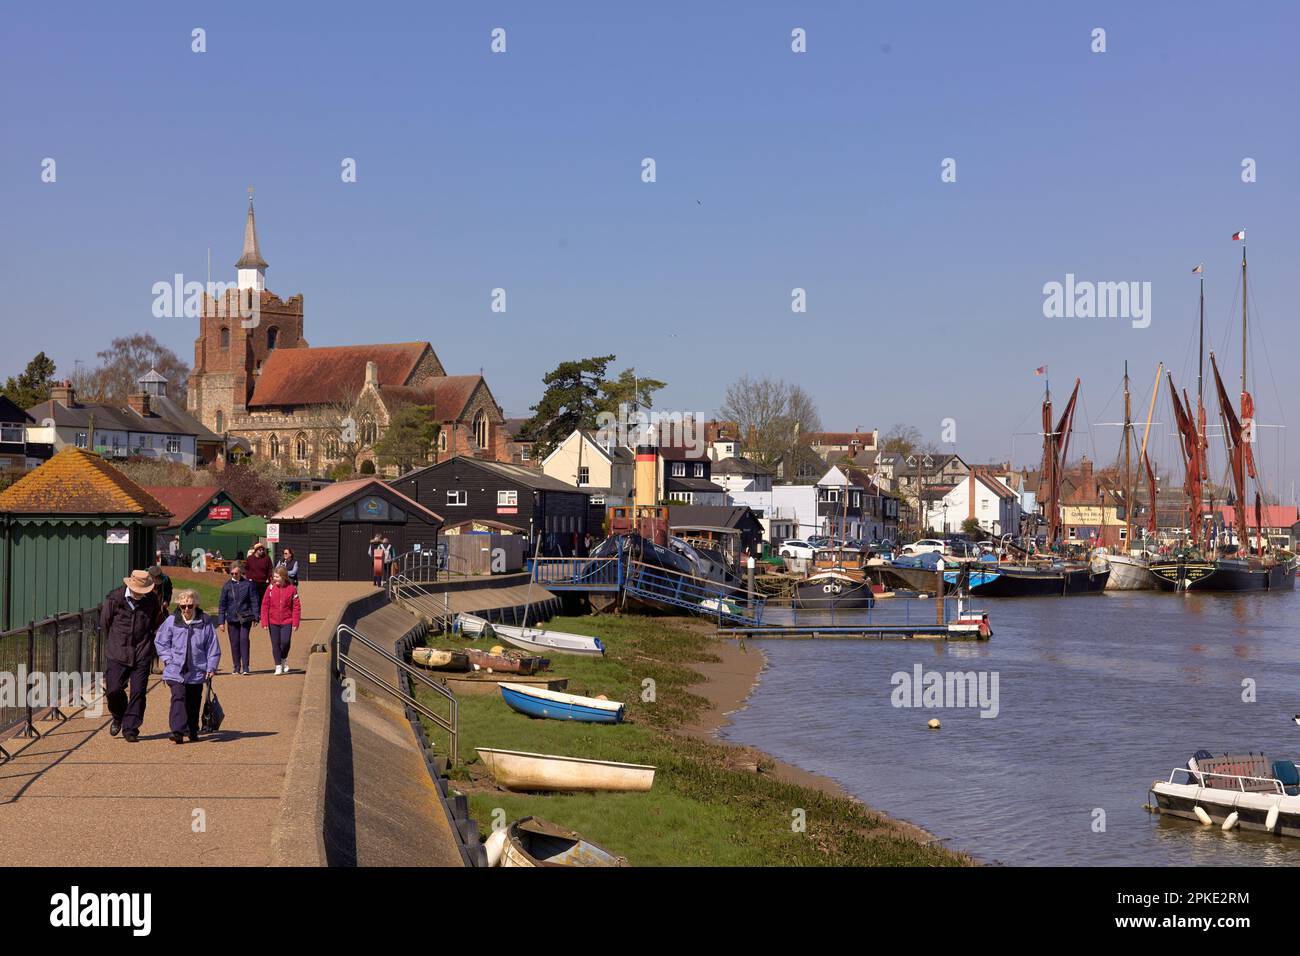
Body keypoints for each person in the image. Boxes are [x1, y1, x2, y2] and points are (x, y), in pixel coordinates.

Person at [99, 570, 166, 743]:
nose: (140, 594)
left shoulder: (151, 600)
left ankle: (131, 728)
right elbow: (105, 623)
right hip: (118, 651)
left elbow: (156, 622)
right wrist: (115, 641)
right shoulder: (114, 599)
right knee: (113, 689)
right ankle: (118, 715)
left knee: (138, 691)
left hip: (142, 651)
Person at [153, 589, 221, 743]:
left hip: (197, 670)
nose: (186, 610)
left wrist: (211, 667)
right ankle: (177, 731)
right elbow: (161, 641)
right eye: (183, 606)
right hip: (175, 670)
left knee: (193, 701)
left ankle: (192, 729)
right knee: (178, 696)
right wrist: (168, 659)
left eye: (190, 606)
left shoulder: (205, 621)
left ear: (196, 605)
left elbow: (212, 646)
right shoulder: (171, 621)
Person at [217, 562, 260, 676]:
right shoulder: (226, 586)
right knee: (234, 643)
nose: (234, 575)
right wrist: (221, 621)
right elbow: (222, 604)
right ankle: (236, 666)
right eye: (232, 573)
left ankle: (246, 666)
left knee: (244, 640)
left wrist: (256, 616)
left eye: (236, 573)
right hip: (231, 618)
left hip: (245, 617)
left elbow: (254, 601)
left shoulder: (248, 585)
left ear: (241, 572)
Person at [260, 567, 301, 675]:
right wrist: (264, 621)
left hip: (287, 620)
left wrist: (296, 622)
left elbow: (296, 607)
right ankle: (278, 665)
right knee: (275, 644)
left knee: (285, 642)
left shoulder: (292, 589)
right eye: (274, 576)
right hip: (273, 621)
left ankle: (284, 658)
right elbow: (265, 605)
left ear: (283, 577)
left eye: (277, 577)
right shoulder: (270, 588)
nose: (274, 578)